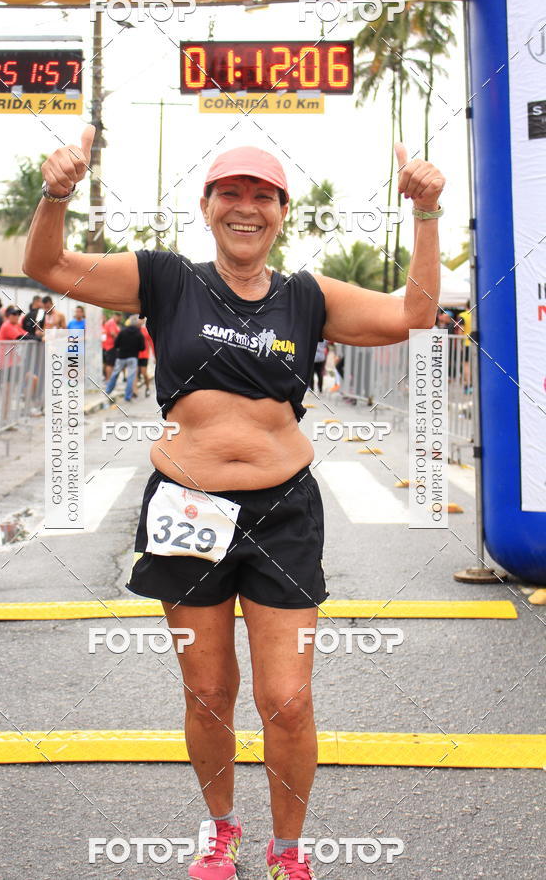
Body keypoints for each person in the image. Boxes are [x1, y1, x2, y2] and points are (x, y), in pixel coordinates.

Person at [23, 129, 444, 879]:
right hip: (187, 509)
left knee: (286, 699)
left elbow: (413, 312)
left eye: (262, 195)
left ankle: (288, 849)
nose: (245, 208)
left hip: (282, 515)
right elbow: (46, 266)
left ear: (283, 211)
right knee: (210, 692)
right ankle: (222, 830)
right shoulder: (166, 280)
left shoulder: (306, 297)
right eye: (231, 192)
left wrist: (426, 214)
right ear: (207, 205)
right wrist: (55, 193)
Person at [105, 314, 144, 402]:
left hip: (121, 357)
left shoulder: (122, 331)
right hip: (133, 358)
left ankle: (108, 391)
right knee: (131, 377)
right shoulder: (139, 334)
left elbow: (116, 344)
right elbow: (142, 347)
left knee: (115, 374)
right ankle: (127, 396)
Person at [102, 311, 122, 380]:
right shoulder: (112, 322)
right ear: (117, 316)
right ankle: (108, 379)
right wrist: (120, 340)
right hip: (110, 346)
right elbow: (113, 333)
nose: (120, 320)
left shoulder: (111, 322)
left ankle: (108, 379)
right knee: (110, 364)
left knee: (109, 363)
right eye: (120, 318)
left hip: (109, 346)